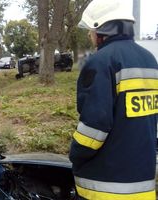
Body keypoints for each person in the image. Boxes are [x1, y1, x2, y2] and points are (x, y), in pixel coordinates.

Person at [69, 0, 158, 199]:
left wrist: (75, 155)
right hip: (143, 185)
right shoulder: (150, 61)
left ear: (102, 29)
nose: (89, 35)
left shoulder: (100, 62)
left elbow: (94, 129)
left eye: (91, 29)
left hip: (105, 187)